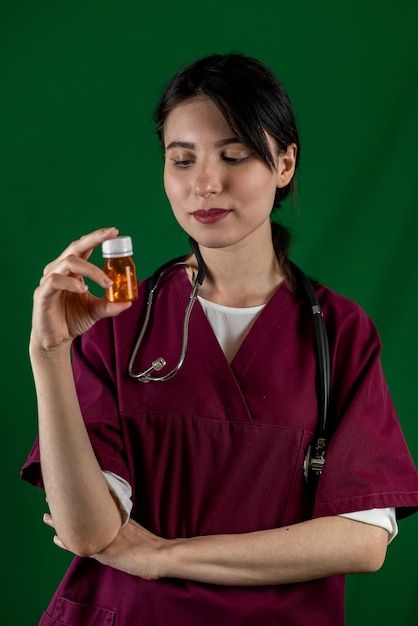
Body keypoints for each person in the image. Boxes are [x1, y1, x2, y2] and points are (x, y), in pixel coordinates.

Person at [21, 53, 418, 626]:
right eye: (181, 160)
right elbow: (88, 532)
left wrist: (163, 555)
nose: (205, 182)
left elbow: (362, 540)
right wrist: (50, 355)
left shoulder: (339, 332)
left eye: (234, 155)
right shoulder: (117, 323)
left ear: (284, 164)